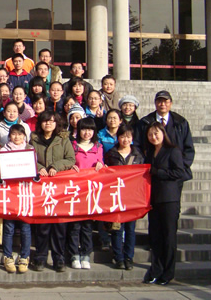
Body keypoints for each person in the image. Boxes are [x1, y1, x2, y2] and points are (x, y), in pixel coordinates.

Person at [143, 121, 189, 285]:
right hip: (153, 199)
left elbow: (179, 172)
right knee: (155, 236)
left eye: (156, 133)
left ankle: (168, 273)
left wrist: (158, 172)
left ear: (163, 133)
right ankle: (156, 269)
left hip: (169, 199)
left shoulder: (173, 150)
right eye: (150, 134)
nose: (153, 137)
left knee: (168, 237)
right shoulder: (149, 152)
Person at [30, 111, 76, 273]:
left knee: (59, 226)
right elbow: (28, 158)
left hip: (59, 189)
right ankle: (40, 257)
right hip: (41, 189)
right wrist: (39, 168)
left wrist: (56, 166)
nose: (48, 124)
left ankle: (59, 258)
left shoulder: (63, 139)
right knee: (42, 225)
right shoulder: (34, 139)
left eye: (51, 121)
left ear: (56, 123)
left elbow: (70, 159)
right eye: (45, 121)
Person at [104, 124, 144, 271]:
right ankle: (118, 257)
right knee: (117, 228)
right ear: (118, 137)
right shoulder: (112, 154)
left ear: (132, 138)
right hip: (116, 195)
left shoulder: (138, 155)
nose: (125, 140)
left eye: (128, 137)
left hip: (132, 197)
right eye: (122, 136)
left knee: (130, 229)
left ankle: (129, 257)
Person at [68, 117, 105, 270]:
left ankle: (86, 254)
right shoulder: (72, 145)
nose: (87, 132)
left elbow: (102, 164)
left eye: (90, 129)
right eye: (84, 129)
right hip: (75, 191)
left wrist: (101, 164)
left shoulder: (98, 146)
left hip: (91, 192)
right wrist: (70, 167)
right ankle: (74, 254)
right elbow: (68, 161)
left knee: (87, 226)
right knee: (75, 226)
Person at [0, 124, 34, 274]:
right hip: (9, 193)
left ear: (24, 136)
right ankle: (7, 256)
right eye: (14, 134)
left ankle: (24, 257)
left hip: (25, 193)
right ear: (9, 136)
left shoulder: (30, 149)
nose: (17, 137)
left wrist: (35, 174)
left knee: (26, 227)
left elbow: (34, 169)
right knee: (9, 228)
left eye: (20, 134)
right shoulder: (3, 150)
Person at [136, 91, 194, 176]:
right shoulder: (145, 122)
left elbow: (188, 147)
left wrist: (181, 166)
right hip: (152, 172)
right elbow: (137, 145)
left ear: (171, 103)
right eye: (159, 101)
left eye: (166, 101)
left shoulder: (180, 122)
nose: (162, 104)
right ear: (155, 103)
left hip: (175, 174)